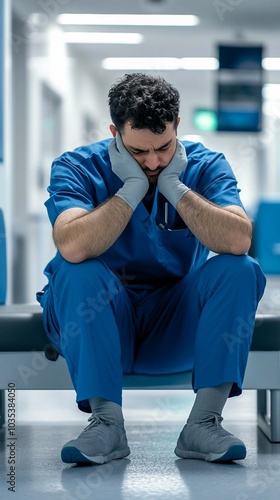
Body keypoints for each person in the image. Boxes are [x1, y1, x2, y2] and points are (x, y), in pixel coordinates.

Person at [37, 72, 266, 465]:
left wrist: (174, 187)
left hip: (173, 328)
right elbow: (73, 246)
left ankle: (203, 424)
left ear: (178, 125)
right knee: (76, 271)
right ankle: (106, 426)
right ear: (115, 132)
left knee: (239, 268)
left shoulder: (205, 166)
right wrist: (131, 189)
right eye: (139, 152)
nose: (154, 161)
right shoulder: (77, 166)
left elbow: (238, 239)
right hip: (100, 325)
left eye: (163, 147)